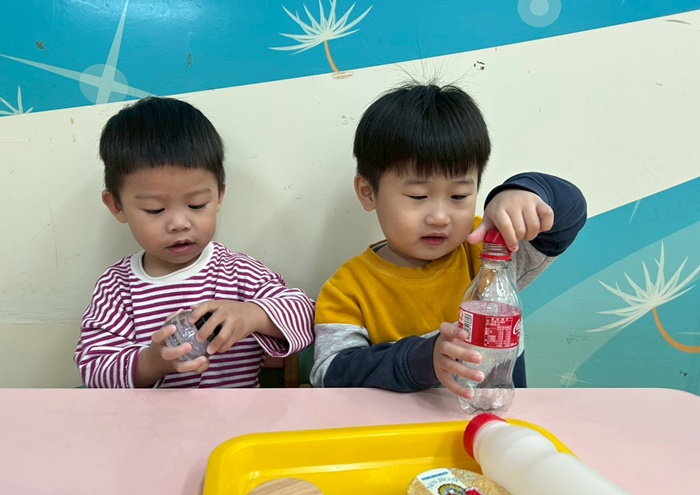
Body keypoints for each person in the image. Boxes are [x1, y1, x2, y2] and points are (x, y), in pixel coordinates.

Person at [310, 82, 587, 397]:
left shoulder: (487, 249)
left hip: (493, 420)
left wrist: (523, 191)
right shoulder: (348, 288)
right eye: (418, 196)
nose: (440, 217)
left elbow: (568, 217)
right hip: (397, 427)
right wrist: (422, 360)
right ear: (367, 192)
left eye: (459, 196)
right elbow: (328, 373)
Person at [75, 97, 314, 388]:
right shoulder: (117, 288)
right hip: (153, 418)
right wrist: (152, 362)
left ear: (219, 196)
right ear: (116, 206)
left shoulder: (238, 272)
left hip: (237, 416)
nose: (179, 223)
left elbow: (307, 314)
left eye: (197, 205)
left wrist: (253, 315)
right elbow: (94, 368)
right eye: (155, 210)